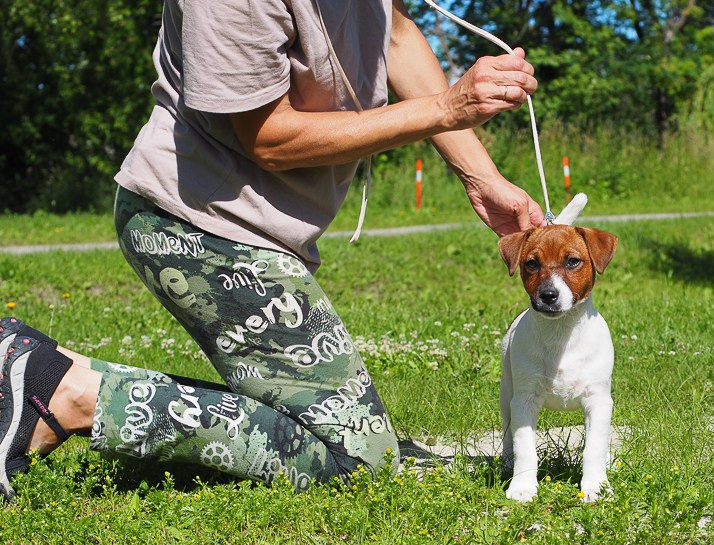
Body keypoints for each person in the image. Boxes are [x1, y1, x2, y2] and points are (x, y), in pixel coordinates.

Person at [0, 0, 543, 499]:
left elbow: (395, 34)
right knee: (358, 458)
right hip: (193, 225)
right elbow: (270, 138)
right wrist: (449, 107)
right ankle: (64, 390)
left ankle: (31, 367)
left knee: (350, 438)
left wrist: (481, 176)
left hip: (261, 230)